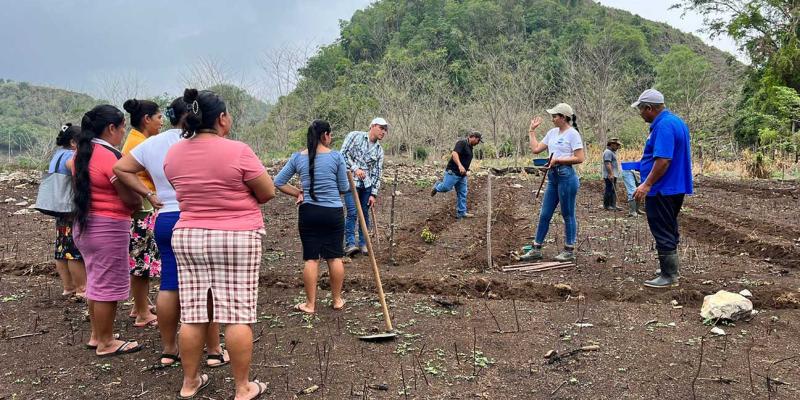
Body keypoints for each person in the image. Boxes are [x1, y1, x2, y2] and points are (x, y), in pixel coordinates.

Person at [164, 89, 275, 400]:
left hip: (188, 236)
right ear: (221, 118)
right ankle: (242, 388)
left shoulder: (173, 154)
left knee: (193, 313)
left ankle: (189, 383)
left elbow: (180, 188)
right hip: (237, 237)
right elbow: (266, 192)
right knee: (238, 315)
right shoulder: (239, 151)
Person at [114, 97, 228, 368]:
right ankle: (213, 350)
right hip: (197, 216)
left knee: (169, 284)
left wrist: (149, 194)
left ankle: (169, 350)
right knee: (206, 286)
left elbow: (120, 168)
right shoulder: (201, 142)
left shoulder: (152, 143)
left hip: (165, 217)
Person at [70, 104, 143, 357]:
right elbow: (129, 197)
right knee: (107, 288)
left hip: (84, 224)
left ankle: (97, 335)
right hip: (108, 228)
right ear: (111, 128)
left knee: (96, 282)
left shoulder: (81, 153)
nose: (123, 133)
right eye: (122, 128)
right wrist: (139, 202)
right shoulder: (109, 156)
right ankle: (106, 342)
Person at [274, 120, 349, 314]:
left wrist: (298, 192)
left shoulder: (298, 157)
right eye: (330, 134)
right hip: (332, 213)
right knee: (334, 257)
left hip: (309, 213)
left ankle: (310, 304)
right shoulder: (336, 157)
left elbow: (278, 181)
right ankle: (337, 300)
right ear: (325, 135)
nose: (331, 138)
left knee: (311, 259)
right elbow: (344, 187)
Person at [632, 89, 693, 288]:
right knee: (668, 226)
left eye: (641, 110)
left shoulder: (664, 126)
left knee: (661, 228)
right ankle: (669, 269)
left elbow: (664, 160)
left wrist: (647, 184)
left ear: (649, 108)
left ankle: (669, 275)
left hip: (662, 188)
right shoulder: (676, 122)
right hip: (674, 186)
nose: (640, 114)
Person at [519, 103, 585, 262]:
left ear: (563, 117)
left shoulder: (573, 134)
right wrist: (531, 131)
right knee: (545, 213)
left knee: (567, 214)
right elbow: (536, 149)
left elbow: (580, 158)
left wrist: (558, 160)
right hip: (553, 176)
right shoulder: (552, 133)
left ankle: (569, 250)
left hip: (566, 177)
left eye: (555, 116)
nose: (552, 119)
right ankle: (536, 249)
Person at [121, 99, 161, 328]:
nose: (161, 122)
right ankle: (142, 312)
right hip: (143, 208)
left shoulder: (137, 140)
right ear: (147, 119)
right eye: (158, 117)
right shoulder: (140, 144)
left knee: (142, 260)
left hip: (143, 206)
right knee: (141, 262)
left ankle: (140, 305)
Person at [340, 117, 387, 257]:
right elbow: (342, 154)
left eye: (385, 130)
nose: (383, 132)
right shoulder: (354, 136)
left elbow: (377, 172)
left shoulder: (379, 150)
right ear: (372, 126)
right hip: (350, 182)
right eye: (381, 128)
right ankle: (350, 244)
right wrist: (355, 168)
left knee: (364, 213)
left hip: (366, 186)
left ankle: (363, 243)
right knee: (352, 212)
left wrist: (373, 194)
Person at [49, 123, 86, 297]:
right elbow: (78, 173)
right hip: (71, 207)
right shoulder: (71, 156)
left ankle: (68, 286)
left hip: (59, 206)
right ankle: (81, 288)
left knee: (62, 247)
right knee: (73, 250)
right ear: (73, 142)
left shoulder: (57, 155)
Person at [430, 131, 482, 219]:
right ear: (473, 137)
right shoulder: (462, 143)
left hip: (462, 175)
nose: (478, 142)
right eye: (478, 140)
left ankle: (461, 213)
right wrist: (460, 166)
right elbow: (454, 154)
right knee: (446, 188)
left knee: (462, 193)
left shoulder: (470, 147)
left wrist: (466, 169)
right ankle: (437, 186)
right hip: (453, 172)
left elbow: (464, 159)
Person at [602, 138, 622, 211]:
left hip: (613, 174)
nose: (618, 147)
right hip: (609, 175)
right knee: (609, 190)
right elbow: (607, 163)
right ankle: (607, 205)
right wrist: (611, 174)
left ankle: (613, 205)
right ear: (612, 144)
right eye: (617, 145)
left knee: (613, 190)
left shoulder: (612, 152)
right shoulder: (608, 152)